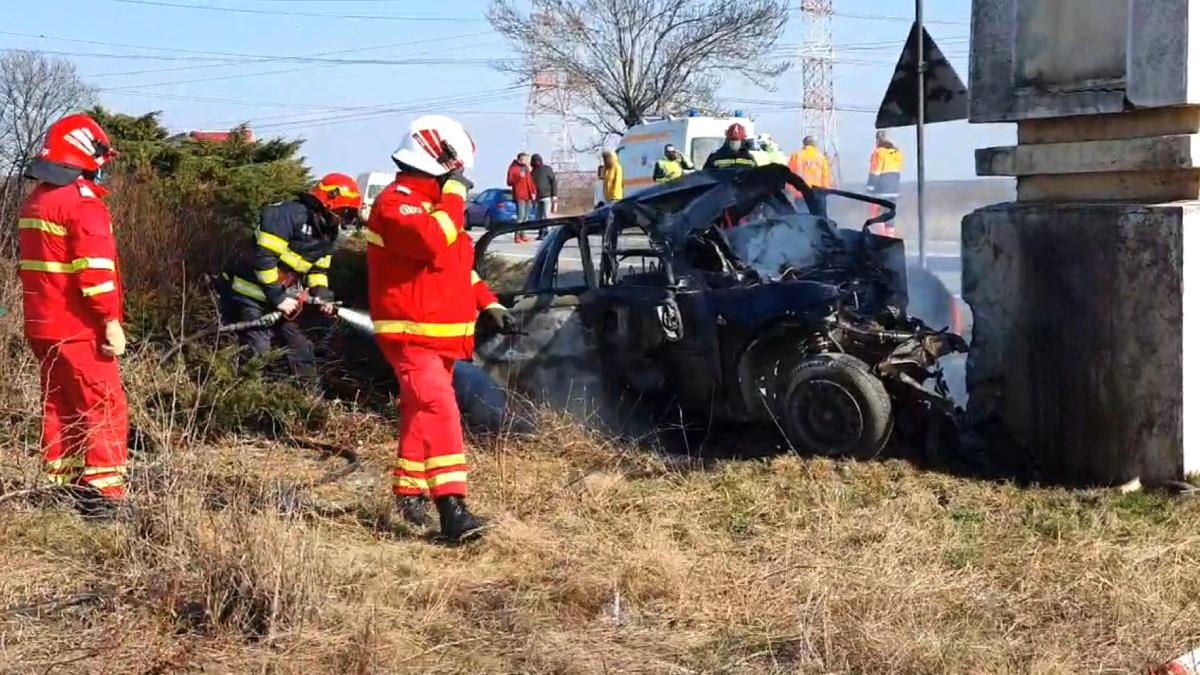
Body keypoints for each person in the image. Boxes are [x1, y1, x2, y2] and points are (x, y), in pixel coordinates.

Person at [365, 114, 516, 543]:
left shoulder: (434, 206)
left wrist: (489, 303)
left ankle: (408, 491)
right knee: (440, 409)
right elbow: (431, 240)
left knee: (419, 411)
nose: (462, 179)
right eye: (458, 171)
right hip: (412, 335)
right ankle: (453, 509)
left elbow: (456, 269)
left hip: (442, 334)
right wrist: (451, 198)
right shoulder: (397, 204)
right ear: (438, 157)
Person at [18, 113, 128, 518]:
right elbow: (96, 275)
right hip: (79, 328)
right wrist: (110, 322)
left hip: (41, 326)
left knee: (59, 404)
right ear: (87, 154)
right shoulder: (82, 204)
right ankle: (103, 498)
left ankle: (62, 486)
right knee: (103, 406)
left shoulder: (38, 200)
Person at [219, 173, 361, 383]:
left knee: (302, 349)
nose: (343, 220)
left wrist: (323, 296)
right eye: (344, 212)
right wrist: (277, 298)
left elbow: (317, 271)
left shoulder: (327, 234)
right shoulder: (286, 215)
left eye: (348, 215)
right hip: (250, 292)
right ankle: (242, 395)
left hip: (283, 298)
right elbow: (264, 260)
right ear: (328, 201)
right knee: (259, 350)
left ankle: (307, 403)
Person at [867, 130, 904, 236]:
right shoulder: (897, 154)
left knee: (875, 213)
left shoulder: (878, 153)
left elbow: (875, 172)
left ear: (878, 140)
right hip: (894, 190)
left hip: (881, 189)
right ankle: (890, 237)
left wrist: (869, 189)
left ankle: (880, 237)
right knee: (889, 214)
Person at [506, 152, 537, 243]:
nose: (528, 161)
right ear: (520, 159)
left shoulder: (526, 168)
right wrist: (519, 177)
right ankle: (517, 236)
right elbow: (509, 182)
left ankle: (523, 235)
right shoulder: (513, 168)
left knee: (526, 218)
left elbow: (530, 181)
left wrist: (533, 191)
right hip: (520, 195)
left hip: (528, 195)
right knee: (520, 217)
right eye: (526, 159)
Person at [530, 153, 557, 239]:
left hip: (547, 196)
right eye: (535, 160)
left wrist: (554, 195)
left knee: (546, 215)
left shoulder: (547, 169)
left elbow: (553, 182)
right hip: (537, 197)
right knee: (539, 216)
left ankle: (547, 232)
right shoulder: (532, 172)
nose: (537, 162)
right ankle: (541, 232)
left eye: (538, 160)